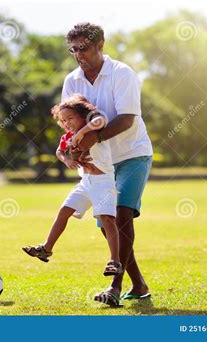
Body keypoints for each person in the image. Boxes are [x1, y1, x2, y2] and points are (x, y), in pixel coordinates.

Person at [62, 23, 153, 306]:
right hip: (99, 163)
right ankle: (138, 284)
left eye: (84, 48)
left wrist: (93, 138)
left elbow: (127, 119)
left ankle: (114, 287)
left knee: (122, 214)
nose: (79, 55)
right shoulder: (72, 81)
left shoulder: (121, 74)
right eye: (73, 50)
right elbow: (68, 122)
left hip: (132, 154)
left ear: (100, 45)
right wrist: (70, 150)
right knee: (107, 224)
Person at [22, 94, 123, 277]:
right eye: (63, 120)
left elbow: (101, 119)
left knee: (107, 220)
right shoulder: (67, 136)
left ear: (83, 116)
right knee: (64, 211)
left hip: (103, 182)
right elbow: (59, 151)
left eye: (70, 118)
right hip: (85, 182)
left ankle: (115, 261)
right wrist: (66, 159)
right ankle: (46, 248)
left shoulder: (94, 129)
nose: (66, 123)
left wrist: (83, 131)